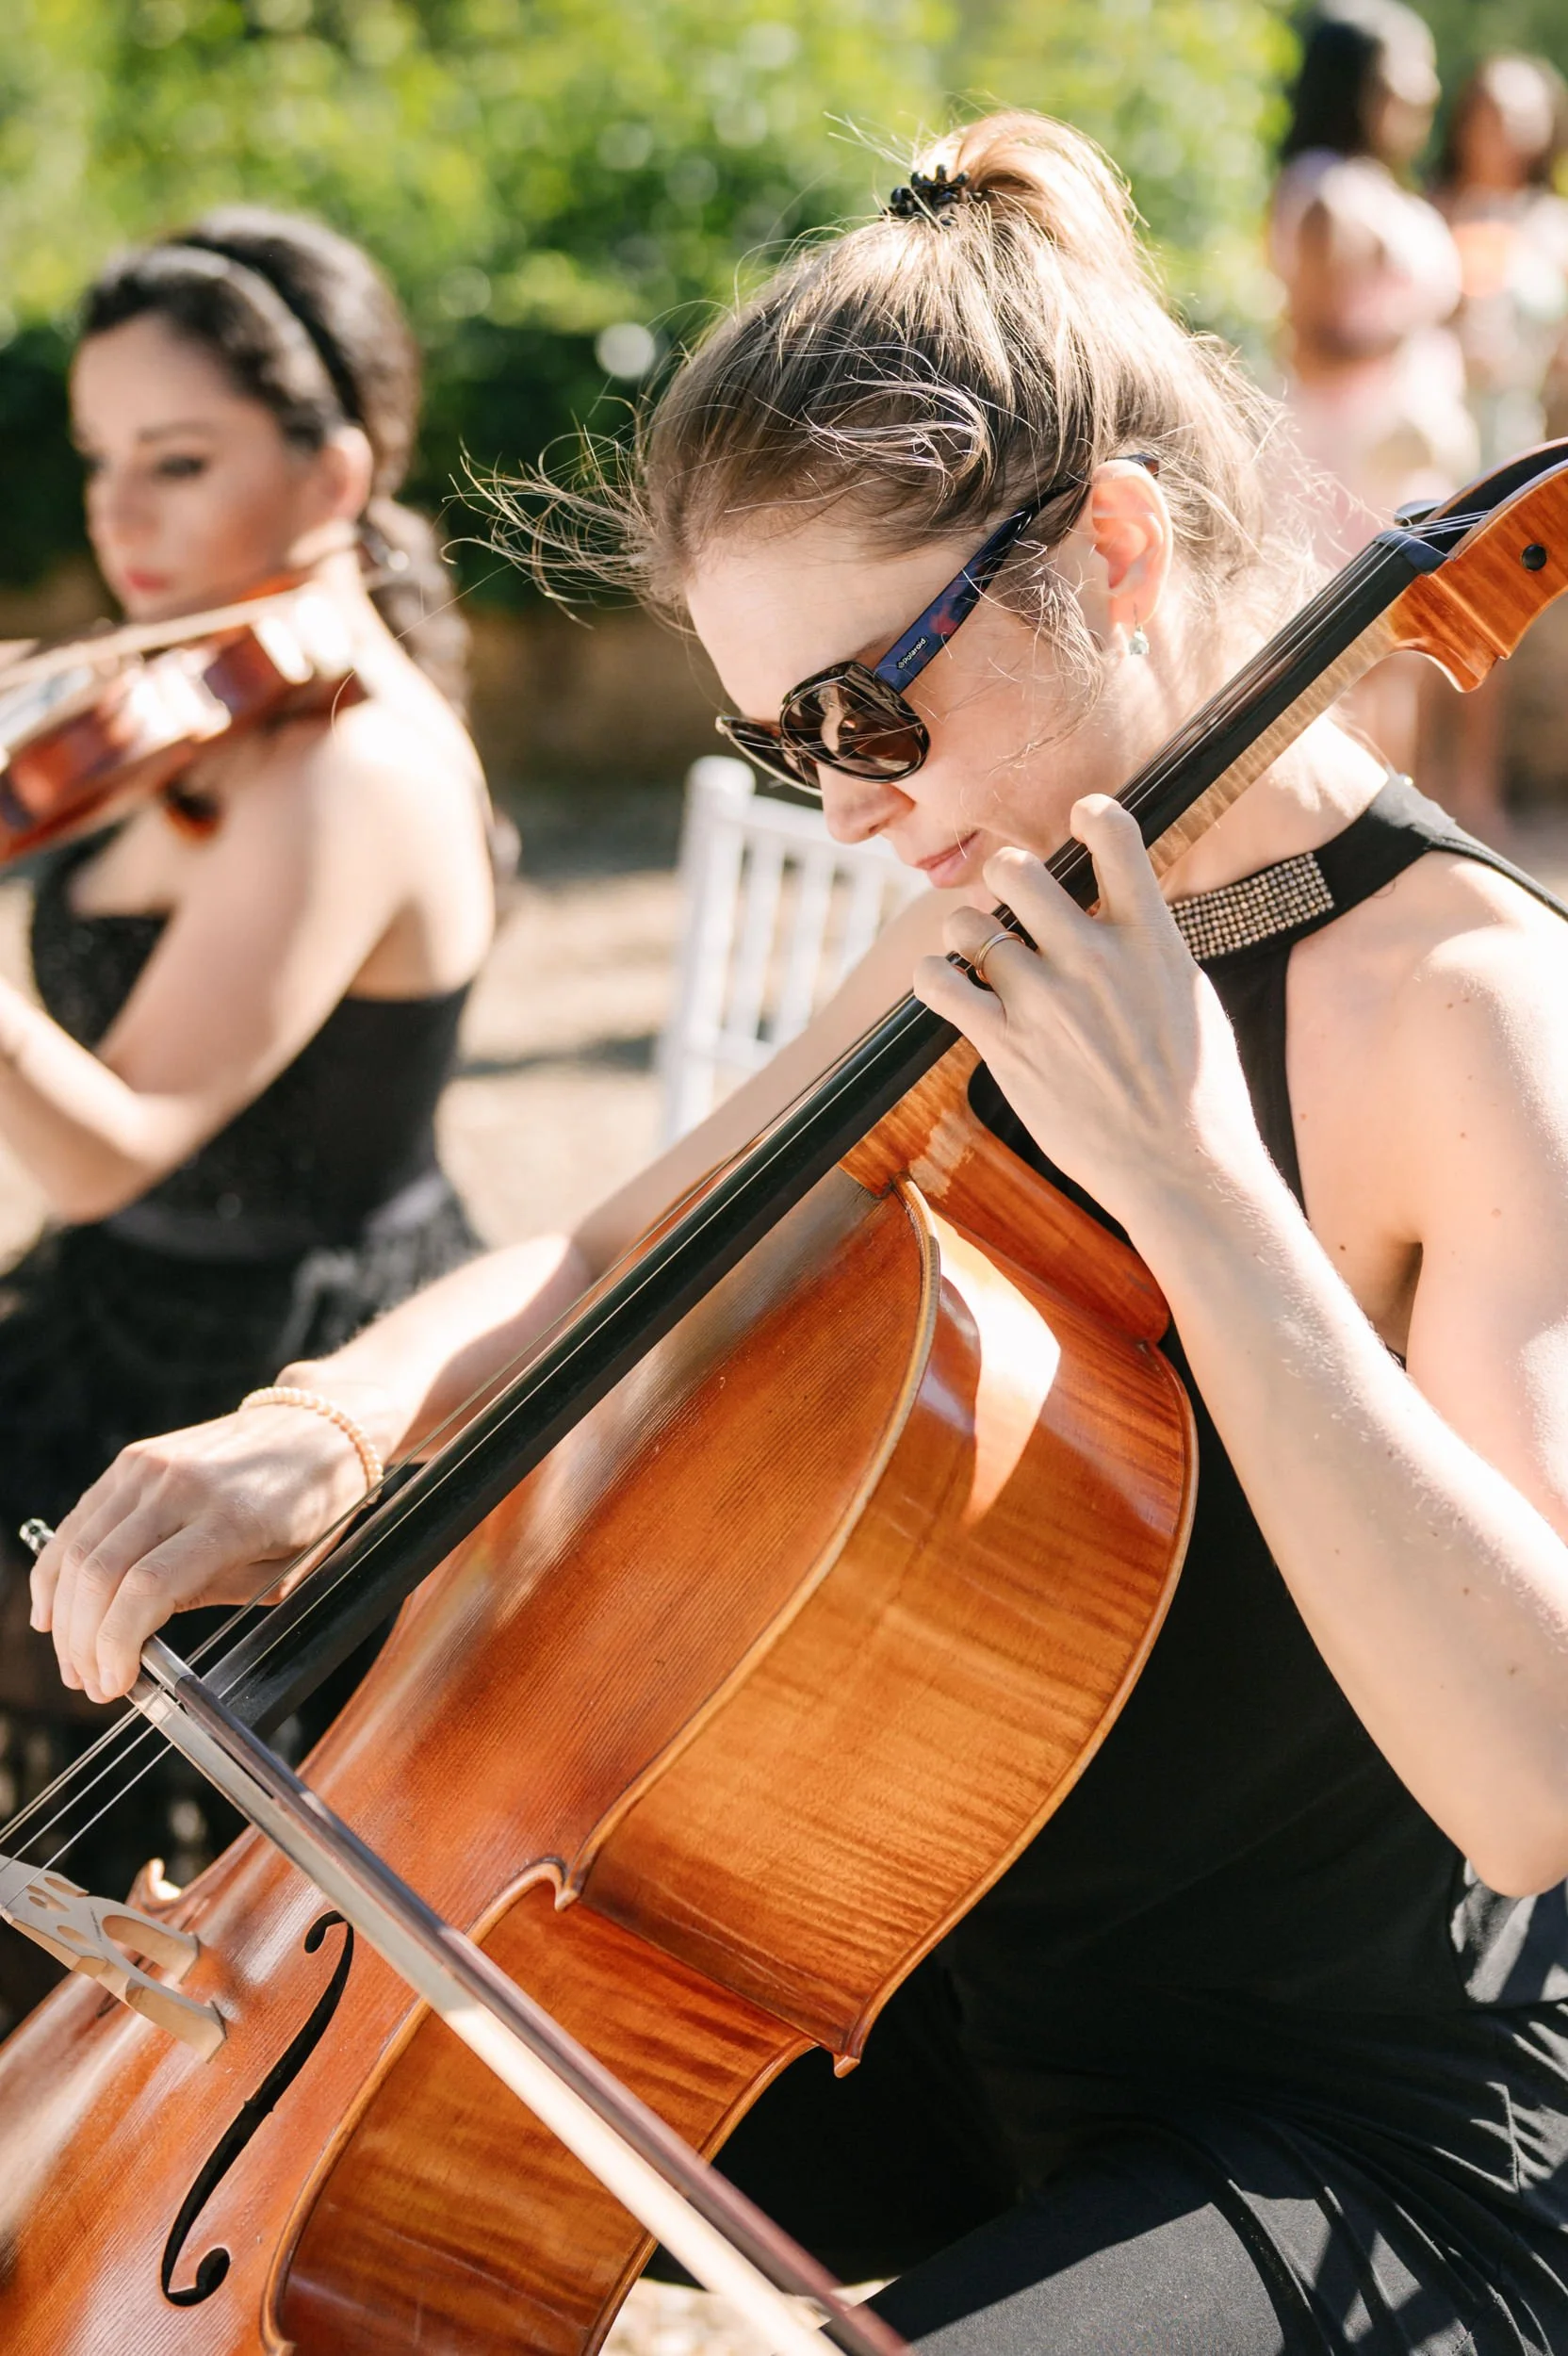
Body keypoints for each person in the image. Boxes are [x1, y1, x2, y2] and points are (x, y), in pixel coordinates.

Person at [26, 113, 1568, 2351]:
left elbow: (1528, 1784)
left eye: (869, 706)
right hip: (941, 2009)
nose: (850, 804)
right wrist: (333, 1419)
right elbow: (603, 1262)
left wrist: (1203, 1197)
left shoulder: (1462, 1014)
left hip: (1358, 2136)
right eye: (781, 743)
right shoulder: (998, 898)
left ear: (1113, 553)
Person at [0, 209, 495, 2004]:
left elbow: (107, 1140)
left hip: (271, 1384)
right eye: (100, 463)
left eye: (179, 461)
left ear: (334, 467)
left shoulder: (348, 765)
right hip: (120, 1317)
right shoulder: (202, 719)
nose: (116, 520)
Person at [1270, 0, 1476, 776]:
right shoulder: (1326, 191)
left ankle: (1393, 818)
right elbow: (1316, 344)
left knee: (1403, 648)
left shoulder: (1376, 186)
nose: (1422, 95)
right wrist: (1435, 322)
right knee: (1354, 655)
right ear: (1357, 84)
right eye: (1404, 77)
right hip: (1347, 458)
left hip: (1396, 457)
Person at [1428, 54, 1568, 839]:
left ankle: (1476, 792)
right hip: (1428, 421)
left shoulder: (1554, 225)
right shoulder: (1432, 208)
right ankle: (1415, 776)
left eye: (1522, 117)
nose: (1506, 133)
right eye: (1492, 114)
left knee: (1492, 606)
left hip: (1511, 433)